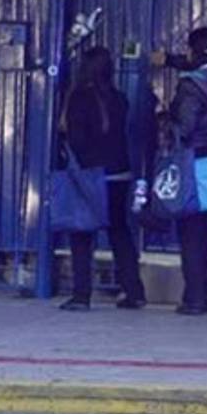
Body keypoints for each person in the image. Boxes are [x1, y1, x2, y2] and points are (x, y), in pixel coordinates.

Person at [151, 27, 207, 315]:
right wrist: (171, 61)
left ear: (195, 51)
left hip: (193, 165)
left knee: (191, 235)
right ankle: (206, 295)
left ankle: (195, 299)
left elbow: (183, 129)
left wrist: (162, 117)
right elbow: (195, 66)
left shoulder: (190, 87)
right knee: (205, 234)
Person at [59, 46, 146, 310]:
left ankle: (81, 294)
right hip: (120, 173)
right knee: (120, 232)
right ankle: (133, 291)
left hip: (91, 174)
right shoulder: (119, 98)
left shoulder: (78, 98)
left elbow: (76, 139)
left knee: (81, 234)